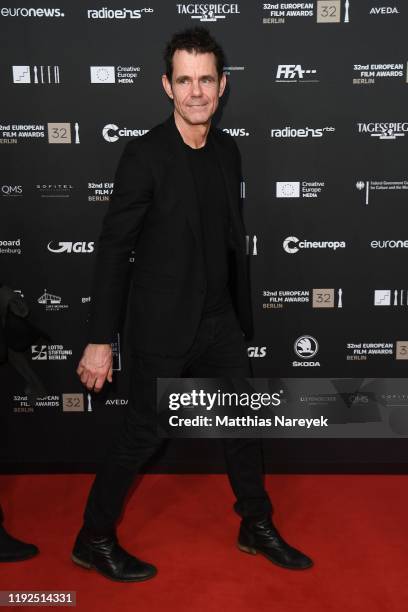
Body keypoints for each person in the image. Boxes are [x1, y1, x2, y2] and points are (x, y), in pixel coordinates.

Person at [73, 27, 313, 582]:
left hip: (218, 321)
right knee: (141, 436)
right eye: (185, 80)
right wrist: (99, 339)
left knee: (243, 423)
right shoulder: (144, 156)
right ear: (167, 86)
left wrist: (231, 312)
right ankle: (92, 538)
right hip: (160, 327)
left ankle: (255, 522)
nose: (197, 91)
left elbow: (228, 237)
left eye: (207, 79)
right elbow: (113, 251)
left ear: (223, 85)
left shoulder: (227, 149)